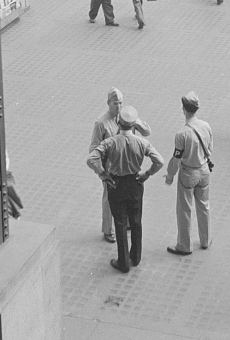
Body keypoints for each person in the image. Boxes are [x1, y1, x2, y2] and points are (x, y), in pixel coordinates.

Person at [86, 104, 165, 273]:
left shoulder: (110, 142)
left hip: (116, 184)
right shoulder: (142, 142)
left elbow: (91, 158)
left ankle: (123, 262)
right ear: (133, 124)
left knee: (120, 223)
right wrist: (147, 174)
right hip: (135, 183)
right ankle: (135, 257)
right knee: (136, 221)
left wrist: (102, 173)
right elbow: (160, 160)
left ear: (119, 123)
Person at [89, 89, 151, 244]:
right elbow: (93, 149)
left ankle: (127, 223)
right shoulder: (102, 123)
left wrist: (136, 122)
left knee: (128, 197)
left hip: (129, 166)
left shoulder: (128, 116)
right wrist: (101, 171)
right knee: (109, 199)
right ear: (108, 103)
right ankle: (108, 230)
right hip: (112, 169)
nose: (119, 106)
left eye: (121, 102)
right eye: (115, 103)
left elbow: (147, 132)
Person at [164, 92, 213, 256]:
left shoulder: (182, 134)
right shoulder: (206, 126)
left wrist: (170, 175)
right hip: (204, 171)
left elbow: (176, 158)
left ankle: (185, 245)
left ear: (184, 109)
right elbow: (210, 150)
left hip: (188, 174)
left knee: (184, 210)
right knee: (204, 206)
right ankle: (205, 240)